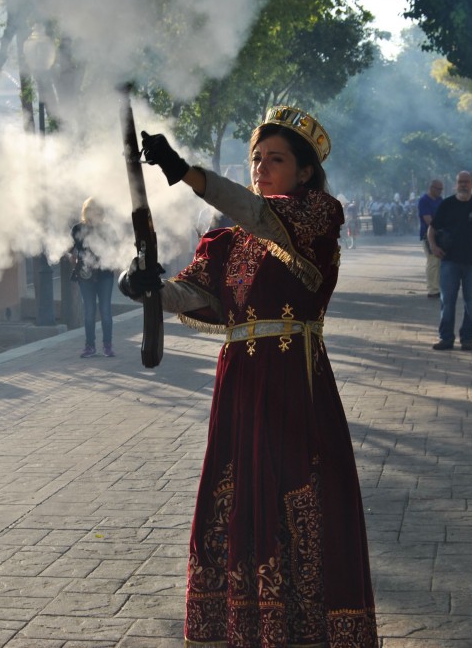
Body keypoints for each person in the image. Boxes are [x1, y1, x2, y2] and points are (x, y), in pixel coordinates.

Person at [121, 106, 378, 647]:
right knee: (235, 500)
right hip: (239, 385)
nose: (261, 166)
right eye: (256, 158)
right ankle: (245, 628)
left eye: (276, 159)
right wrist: (146, 286)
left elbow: (261, 214)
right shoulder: (227, 238)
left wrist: (187, 172)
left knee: (298, 498)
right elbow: (191, 295)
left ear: (305, 171)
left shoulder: (316, 215)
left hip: (294, 381)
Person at [426, 171, 472, 351]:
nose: (463, 185)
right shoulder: (447, 204)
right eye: (460, 182)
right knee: (447, 301)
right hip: (450, 261)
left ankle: (467, 339)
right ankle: (446, 338)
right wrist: (434, 247)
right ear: (455, 184)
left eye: (467, 182)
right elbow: (432, 229)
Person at [70, 198, 115, 358]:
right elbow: (71, 250)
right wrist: (73, 258)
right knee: (89, 312)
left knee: (105, 311)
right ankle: (90, 346)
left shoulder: (108, 230)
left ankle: (107, 345)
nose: (93, 214)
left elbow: (114, 250)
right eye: (90, 210)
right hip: (85, 275)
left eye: (96, 211)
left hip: (104, 274)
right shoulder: (77, 229)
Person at [417, 179, 444, 298]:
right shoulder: (424, 201)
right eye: (438, 189)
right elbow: (427, 219)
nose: (440, 191)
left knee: (440, 262)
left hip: (441, 235)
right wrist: (438, 228)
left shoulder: (440, 200)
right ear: (431, 188)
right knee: (433, 261)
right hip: (428, 234)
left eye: (441, 189)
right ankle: (433, 290)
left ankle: (438, 286)